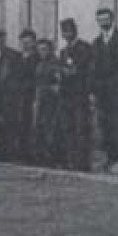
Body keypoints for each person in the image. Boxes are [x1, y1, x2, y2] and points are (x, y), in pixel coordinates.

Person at [89, 8, 118, 165]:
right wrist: (94, 89)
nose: (103, 22)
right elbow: (93, 68)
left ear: (112, 19)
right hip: (102, 89)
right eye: (100, 20)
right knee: (105, 123)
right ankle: (110, 156)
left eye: (106, 19)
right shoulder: (96, 42)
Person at [59, 18, 96, 172]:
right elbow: (61, 70)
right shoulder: (63, 52)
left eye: (69, 31)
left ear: (75, 31)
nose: (67, 34)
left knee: (81, 128)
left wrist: (89, 91)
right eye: (64, 31)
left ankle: (82, 162)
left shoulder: (84, 48)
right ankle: (71, 160)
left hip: (80, 94)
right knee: (69, 128)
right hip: (67, 95)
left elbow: (89, 71)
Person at [31, 36, 67, 167]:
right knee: (40, 127)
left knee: (51, 129)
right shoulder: (40, 64)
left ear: (50, 50)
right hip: (41, 100)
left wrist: (48, 89)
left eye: (45, 49)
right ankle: (43, 156)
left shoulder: (55, 63)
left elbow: (58, 84)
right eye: (40, 50)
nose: (42, 52)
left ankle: (53, 158)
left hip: (52, 102)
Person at [0, 29, 24, 160]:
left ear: (4, 39)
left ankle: (11, 152)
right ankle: (0, 151)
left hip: (10, 96)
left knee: (10, 125)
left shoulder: (14, 56)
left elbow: (19, 77)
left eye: (0, 38)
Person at [16, 30, 40, 163]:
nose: (26, 45)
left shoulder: (37, 58)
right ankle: (22, 153)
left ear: (34, 42)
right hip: (19, 97)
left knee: (32, 125)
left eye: (29, 42)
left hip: (33, 95)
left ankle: (32, 154)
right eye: (23, 42)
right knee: (21, 124)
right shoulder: (18, 58)